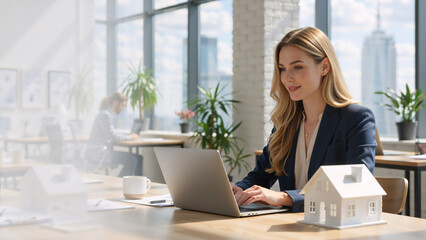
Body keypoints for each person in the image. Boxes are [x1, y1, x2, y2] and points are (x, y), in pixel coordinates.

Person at [231, 27, 376, 212]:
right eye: (283, 69)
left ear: (324, 67)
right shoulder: (286, 123)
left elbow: (356, 185)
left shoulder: (356, 118)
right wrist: (240, 189)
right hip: (291, 228)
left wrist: (286, 197)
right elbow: (261, 175)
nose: (287, 78)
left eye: (297, 67)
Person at [85, 92, 143, 177]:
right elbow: (111, 136)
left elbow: (110, 134)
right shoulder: (105, 115)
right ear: (116, 103)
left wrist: (127, 137)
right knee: (133, 159)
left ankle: (135, 185)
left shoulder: (106, 114)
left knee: (139, 158)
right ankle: (121, 183)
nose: (123, 108)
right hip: (100, 153)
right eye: (123, 105)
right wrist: (130, 137)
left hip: (103, 151)